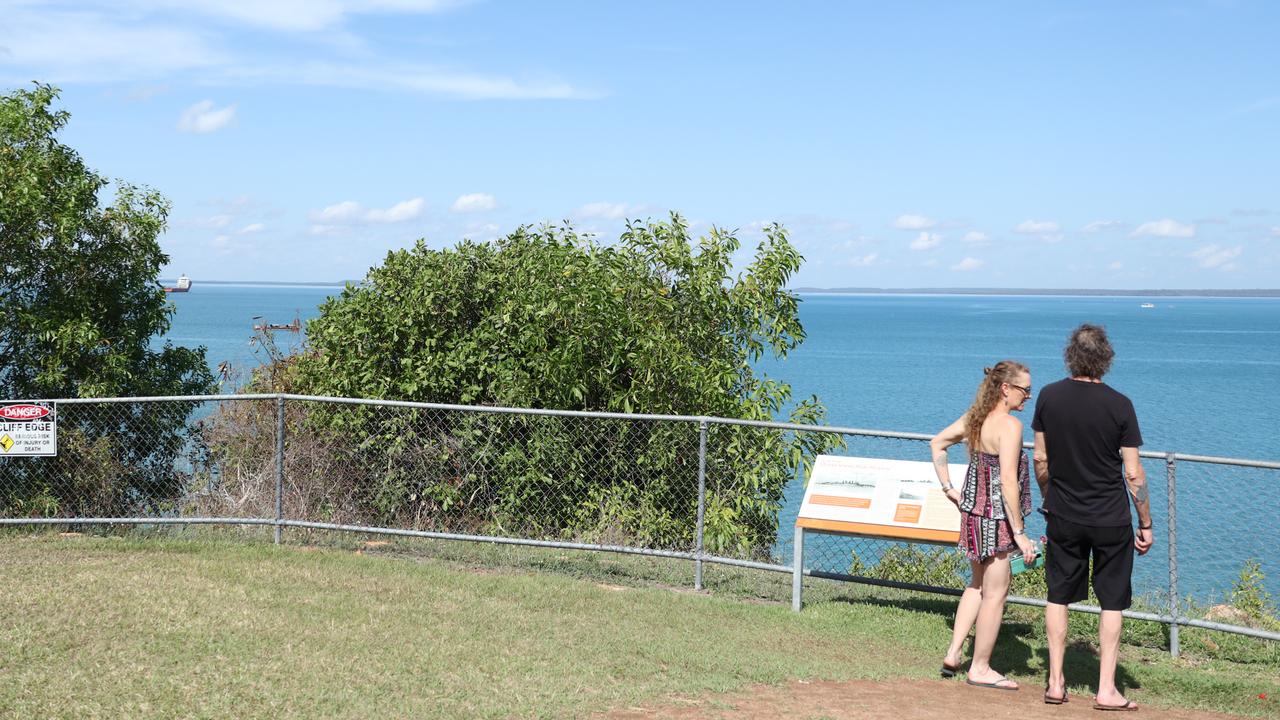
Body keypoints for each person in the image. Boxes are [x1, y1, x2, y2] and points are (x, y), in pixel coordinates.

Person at [1033, 324, 1153, 710]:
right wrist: (1146, 523)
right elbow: (1133, 474)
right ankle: (1106, 690)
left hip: (1063, 514)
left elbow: (1040, 459)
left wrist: (1049, 498)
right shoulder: (1120, 404)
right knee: (1112, 601)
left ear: (1070, 354)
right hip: (1110, 518)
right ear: (1107, 358)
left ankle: (1055, 682)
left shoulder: (1049, 397)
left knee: (1058, 595)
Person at [930, 360, 1037, 691]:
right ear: (1006, 388)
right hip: (996, 519)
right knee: (996, 593)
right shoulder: (1009, 426)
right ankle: (980, 667)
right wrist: (1019, 534)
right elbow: (1008, 481)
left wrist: (950, 489)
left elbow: (937, 444)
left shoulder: (975, 420)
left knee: (976, 585)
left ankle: (953, 652)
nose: (1028, 397)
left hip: (972, 515)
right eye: (1025, 390)